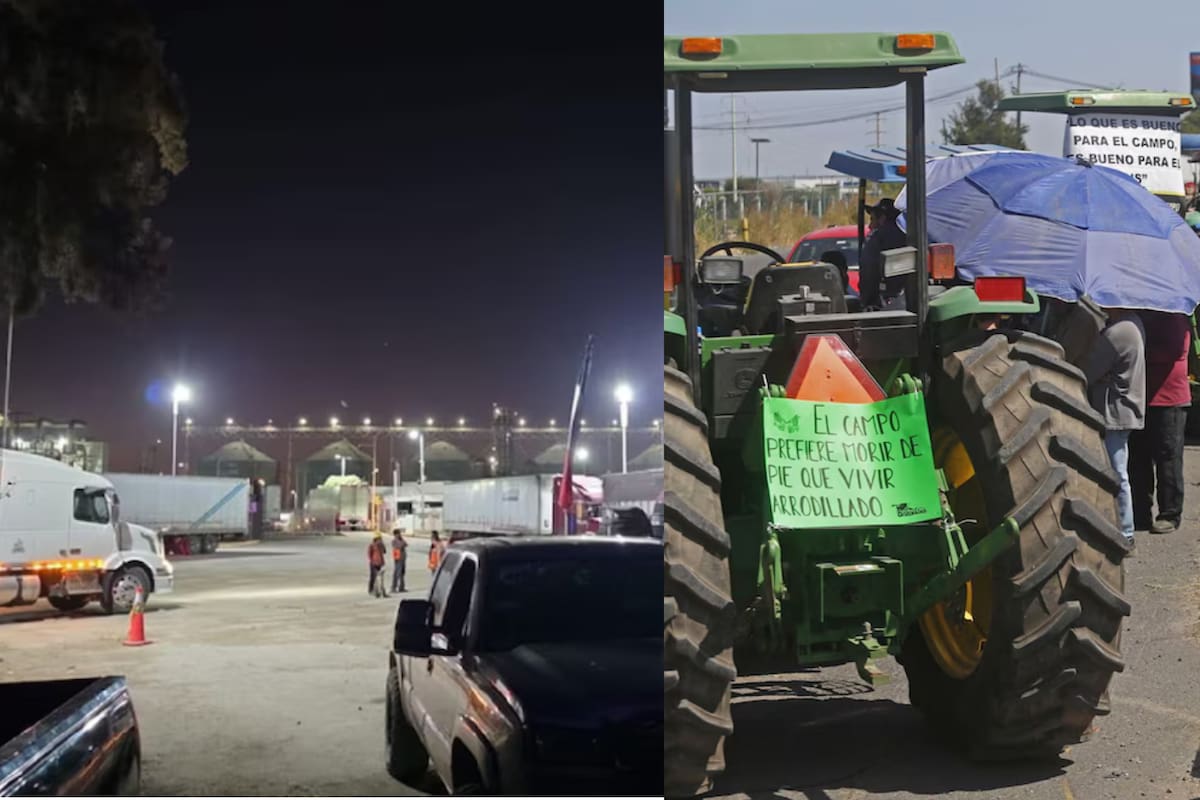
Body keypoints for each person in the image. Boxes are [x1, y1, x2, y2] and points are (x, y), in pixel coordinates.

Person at [1082, 308, 1147, 548]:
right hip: (1127, 407)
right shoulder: (1135, 323)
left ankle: (1125, 531)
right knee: (1119, 469)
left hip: (1114, 411)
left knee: (1116, 472)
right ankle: (1123, 529)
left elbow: (1087, 371)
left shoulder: (1117, 333)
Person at [1130, 311, 1191, 534]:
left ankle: (1170, 514)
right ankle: (1140, 514)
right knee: (1138, 458)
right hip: (1142, 397)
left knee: (1168, 458)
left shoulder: (1175, 317)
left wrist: (1138, 349)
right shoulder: (1144, 316)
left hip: (1169, 399)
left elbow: (1174, 351)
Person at [857, 198, 907, 310]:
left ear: (882, 218)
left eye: (872, 219)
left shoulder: (877, 239)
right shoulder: (910, 235)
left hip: (882, 304)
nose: (870, 226)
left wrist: (867, 301)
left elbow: (868, 272)